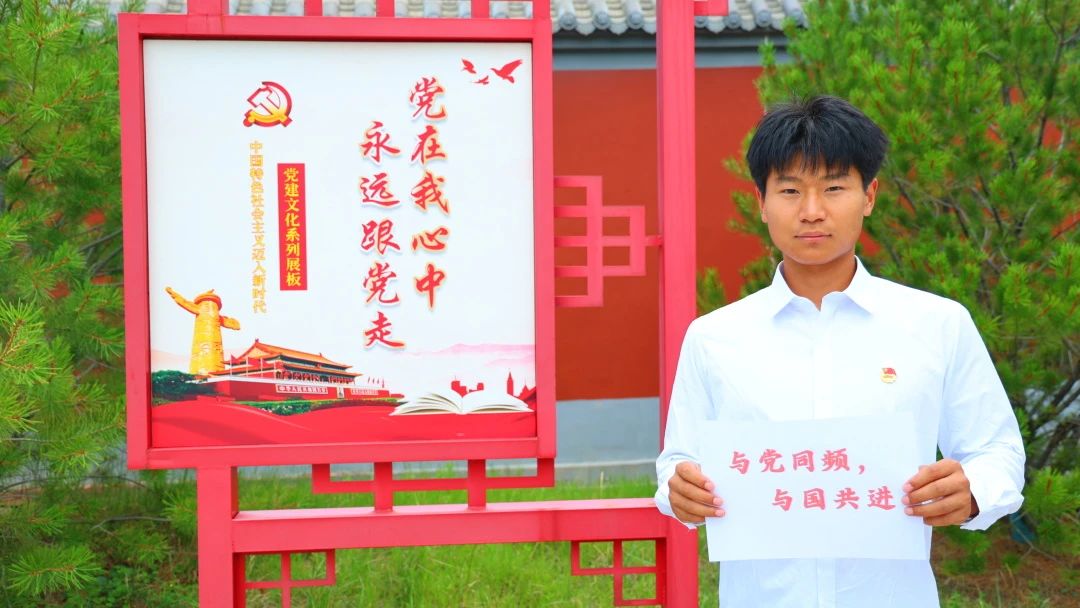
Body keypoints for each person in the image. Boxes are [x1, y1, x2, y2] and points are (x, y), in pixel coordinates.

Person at [654, 96, 1025, 607]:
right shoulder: (714, 338)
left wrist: (975, 489)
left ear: (869, 195)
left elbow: (997, 450)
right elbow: (680, 459)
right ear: (761, 201)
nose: (812, 211)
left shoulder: (937, 324)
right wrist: (678, 490)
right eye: (790, 190)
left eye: (833, 188)